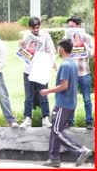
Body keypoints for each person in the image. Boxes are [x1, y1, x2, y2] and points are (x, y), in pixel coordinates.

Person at [40, 39, 93, 167]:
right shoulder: (72, 63)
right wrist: (55, 66)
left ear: (62, 49)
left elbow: (64, 85)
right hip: (70, 103)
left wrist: (48, 91)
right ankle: (54, 158)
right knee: (55, 129)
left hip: (63, 104)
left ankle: (80, 150)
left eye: (59, 48)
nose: (58, 50)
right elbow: (65, 77)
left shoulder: (66, 65)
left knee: (57, 130)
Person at [19, 17, 55, 129]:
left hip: (41, 70)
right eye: (33, 28)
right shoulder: (26, 37)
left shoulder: (45, 36)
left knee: (44, 94)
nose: (36, 29)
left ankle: (45, 118)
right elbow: (21, 52)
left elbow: (51, 49)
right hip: (29, 70)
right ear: (29, 27)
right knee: (28, 96)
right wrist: (21, 46)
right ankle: (27, 118)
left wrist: (51, 57)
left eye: (38, 27)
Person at [65, 16, 94, 129]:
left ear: (79, 26)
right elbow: (61, 53)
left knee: (87, 98)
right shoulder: (67, 37)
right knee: (71, 98)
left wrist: (84, 45)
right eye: (69, 27)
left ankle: (89, 121)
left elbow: (92, 53)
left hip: (84, 72)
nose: (71, 28)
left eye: (72, 26)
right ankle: (70, 122)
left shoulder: (86, 37)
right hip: (71, 74)